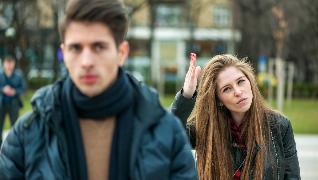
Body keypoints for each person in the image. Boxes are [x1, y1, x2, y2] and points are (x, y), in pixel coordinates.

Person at [0, 0, 197, 179]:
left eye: (99, 47)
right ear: (64, 53)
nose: (86, 62)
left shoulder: (167, 132)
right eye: (76, 48)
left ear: (121, 52)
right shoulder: (28, 134)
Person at [170, 54, 300, 180]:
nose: (238, 92)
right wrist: (186, 95)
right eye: (227, 89)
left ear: (250, 82)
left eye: (241, 81)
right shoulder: (207, 129)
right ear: (218, 99)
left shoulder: (279, 126)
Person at [0, 56, 26, 146]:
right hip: (1, 104)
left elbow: (23, 88)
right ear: (4, 64)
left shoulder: (18, 75)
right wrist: (3, 89)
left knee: (15, 127)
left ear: (14, 64)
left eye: (11, 63)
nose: (9, 65)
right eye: (7, 63)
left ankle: (13, 146)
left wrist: (14, 91)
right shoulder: (0, 74)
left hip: (14, 104)